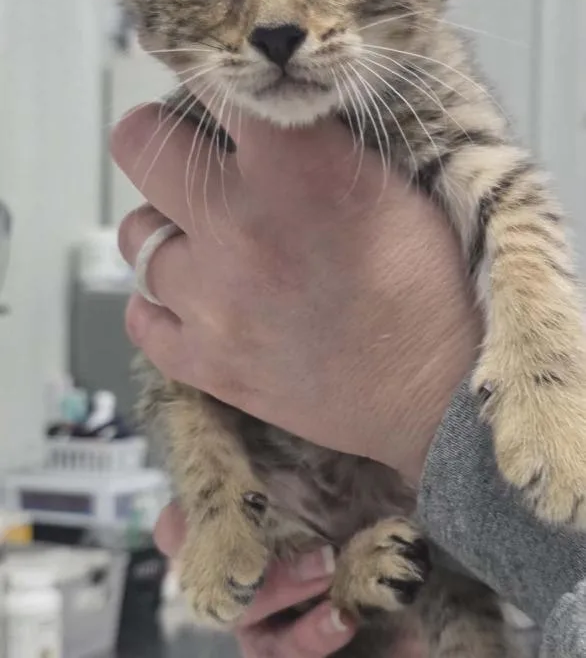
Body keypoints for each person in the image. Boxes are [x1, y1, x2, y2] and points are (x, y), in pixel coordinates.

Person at [113, 105, 586, 658]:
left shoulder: (418, 90)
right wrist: (217, 504)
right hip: (345, 528)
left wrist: (429, 390)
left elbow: (502, 191)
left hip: (441, 525)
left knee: (458, 603)